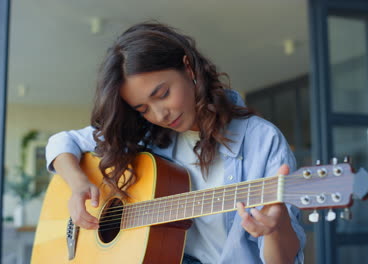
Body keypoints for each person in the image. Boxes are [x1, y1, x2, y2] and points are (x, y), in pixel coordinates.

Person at [45, 22, 305, 264]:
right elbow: (61, 142)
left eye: (163, 94)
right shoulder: (142, 133)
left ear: (189, 68)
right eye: (143, 108)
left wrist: (276, 228)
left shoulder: (261, 140)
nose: (159, 115)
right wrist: (79, 185)